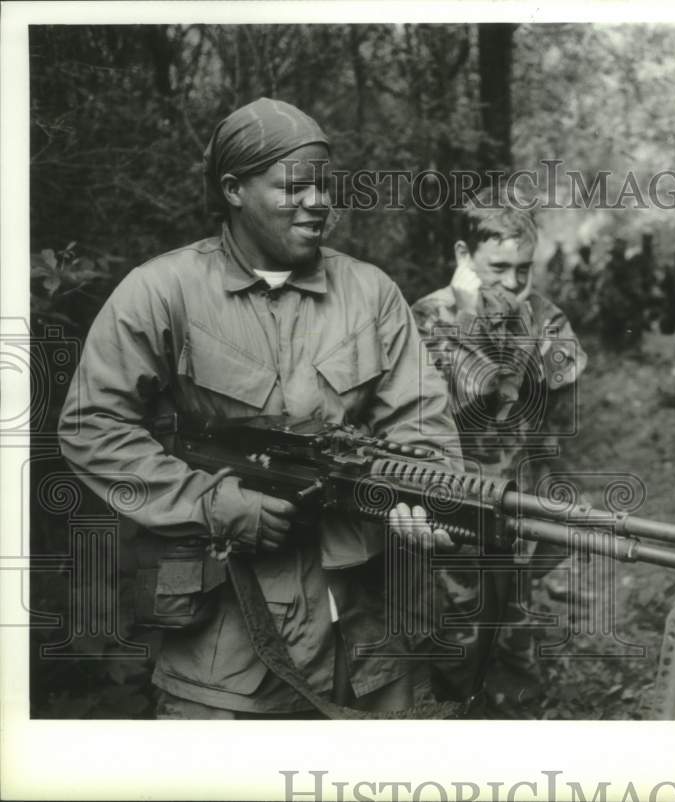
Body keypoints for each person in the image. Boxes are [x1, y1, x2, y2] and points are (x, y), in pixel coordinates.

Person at [58, 97, 460, 719]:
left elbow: (419, 420)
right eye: (294, 187)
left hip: (372, 649)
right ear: (233, 189)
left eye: (325, 185)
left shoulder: (370, 292)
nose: (317, 201)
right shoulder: (163, 290)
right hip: (224, 657)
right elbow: (92, 425)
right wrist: (207, 502)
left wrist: (426, 494)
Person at [411, 187, 588, 716]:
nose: (513, 283)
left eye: (524, 269)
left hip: (518, 502)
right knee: (453, 634)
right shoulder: (424, 318)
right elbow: (462, 398)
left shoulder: (541, 313)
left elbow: (561, 373)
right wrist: (470, 319)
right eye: (498, 268)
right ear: (464, 258)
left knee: (511, 634)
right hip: (450, 508)